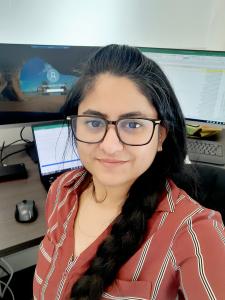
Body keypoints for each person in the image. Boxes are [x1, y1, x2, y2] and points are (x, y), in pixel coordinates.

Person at [33, 44, 225, 300]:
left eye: (133, 124)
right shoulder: (62, 191)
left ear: (160, 137)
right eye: (93, 122)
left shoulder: (195, 234)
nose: (110, 146)